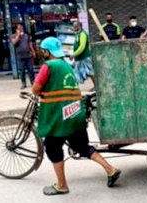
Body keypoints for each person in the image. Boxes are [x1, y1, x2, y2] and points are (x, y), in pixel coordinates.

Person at [33, 37, 121, 195]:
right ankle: (110, 169)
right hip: (74, 113)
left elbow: (35, 88)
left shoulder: (48, 66)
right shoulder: (67, 65)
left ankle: (61, 185)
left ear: (47, 52)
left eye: (43, 50)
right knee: (82, 147)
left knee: (52, 148)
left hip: (59, 117)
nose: (42, 53)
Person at [11, 24, 36, 89]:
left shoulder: (26, 35)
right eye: (19, 28)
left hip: (28, 55)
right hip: (20, 57)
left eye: (21, 28)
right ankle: (23, 83)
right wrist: (18, 35)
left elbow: (29, 44)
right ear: (16, 30)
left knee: (30, 69)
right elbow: (14, 42)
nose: (21, 29)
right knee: (22, 71)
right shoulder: (13, 36)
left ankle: (33, 82)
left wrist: (33, 51)